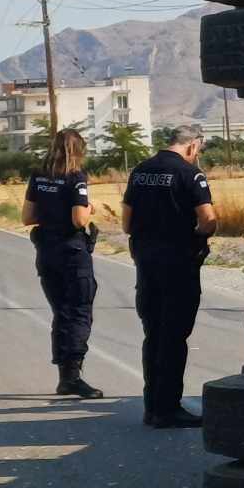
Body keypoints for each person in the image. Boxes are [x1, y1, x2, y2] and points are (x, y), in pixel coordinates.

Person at [121, 123, 216, 428]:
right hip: (179, 263)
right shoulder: (191, 174)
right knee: (174, 337)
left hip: (146, 263)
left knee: (154, 335)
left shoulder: (140, 171)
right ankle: (168, 408)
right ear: (192, 146)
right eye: (198, 150)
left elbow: (126, 223)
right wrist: (199, 237)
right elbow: (208, 219)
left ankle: (152, 406)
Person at [20, 128, 102, 399]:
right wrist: (91, 209)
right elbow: (79, 219)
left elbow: (27, 217)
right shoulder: (76, 177)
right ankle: (73, 377)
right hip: (71, 252)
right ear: (78, 150)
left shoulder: (38, 175)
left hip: (46, 251)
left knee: (61, 313)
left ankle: (64, 376)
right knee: (78, 312)